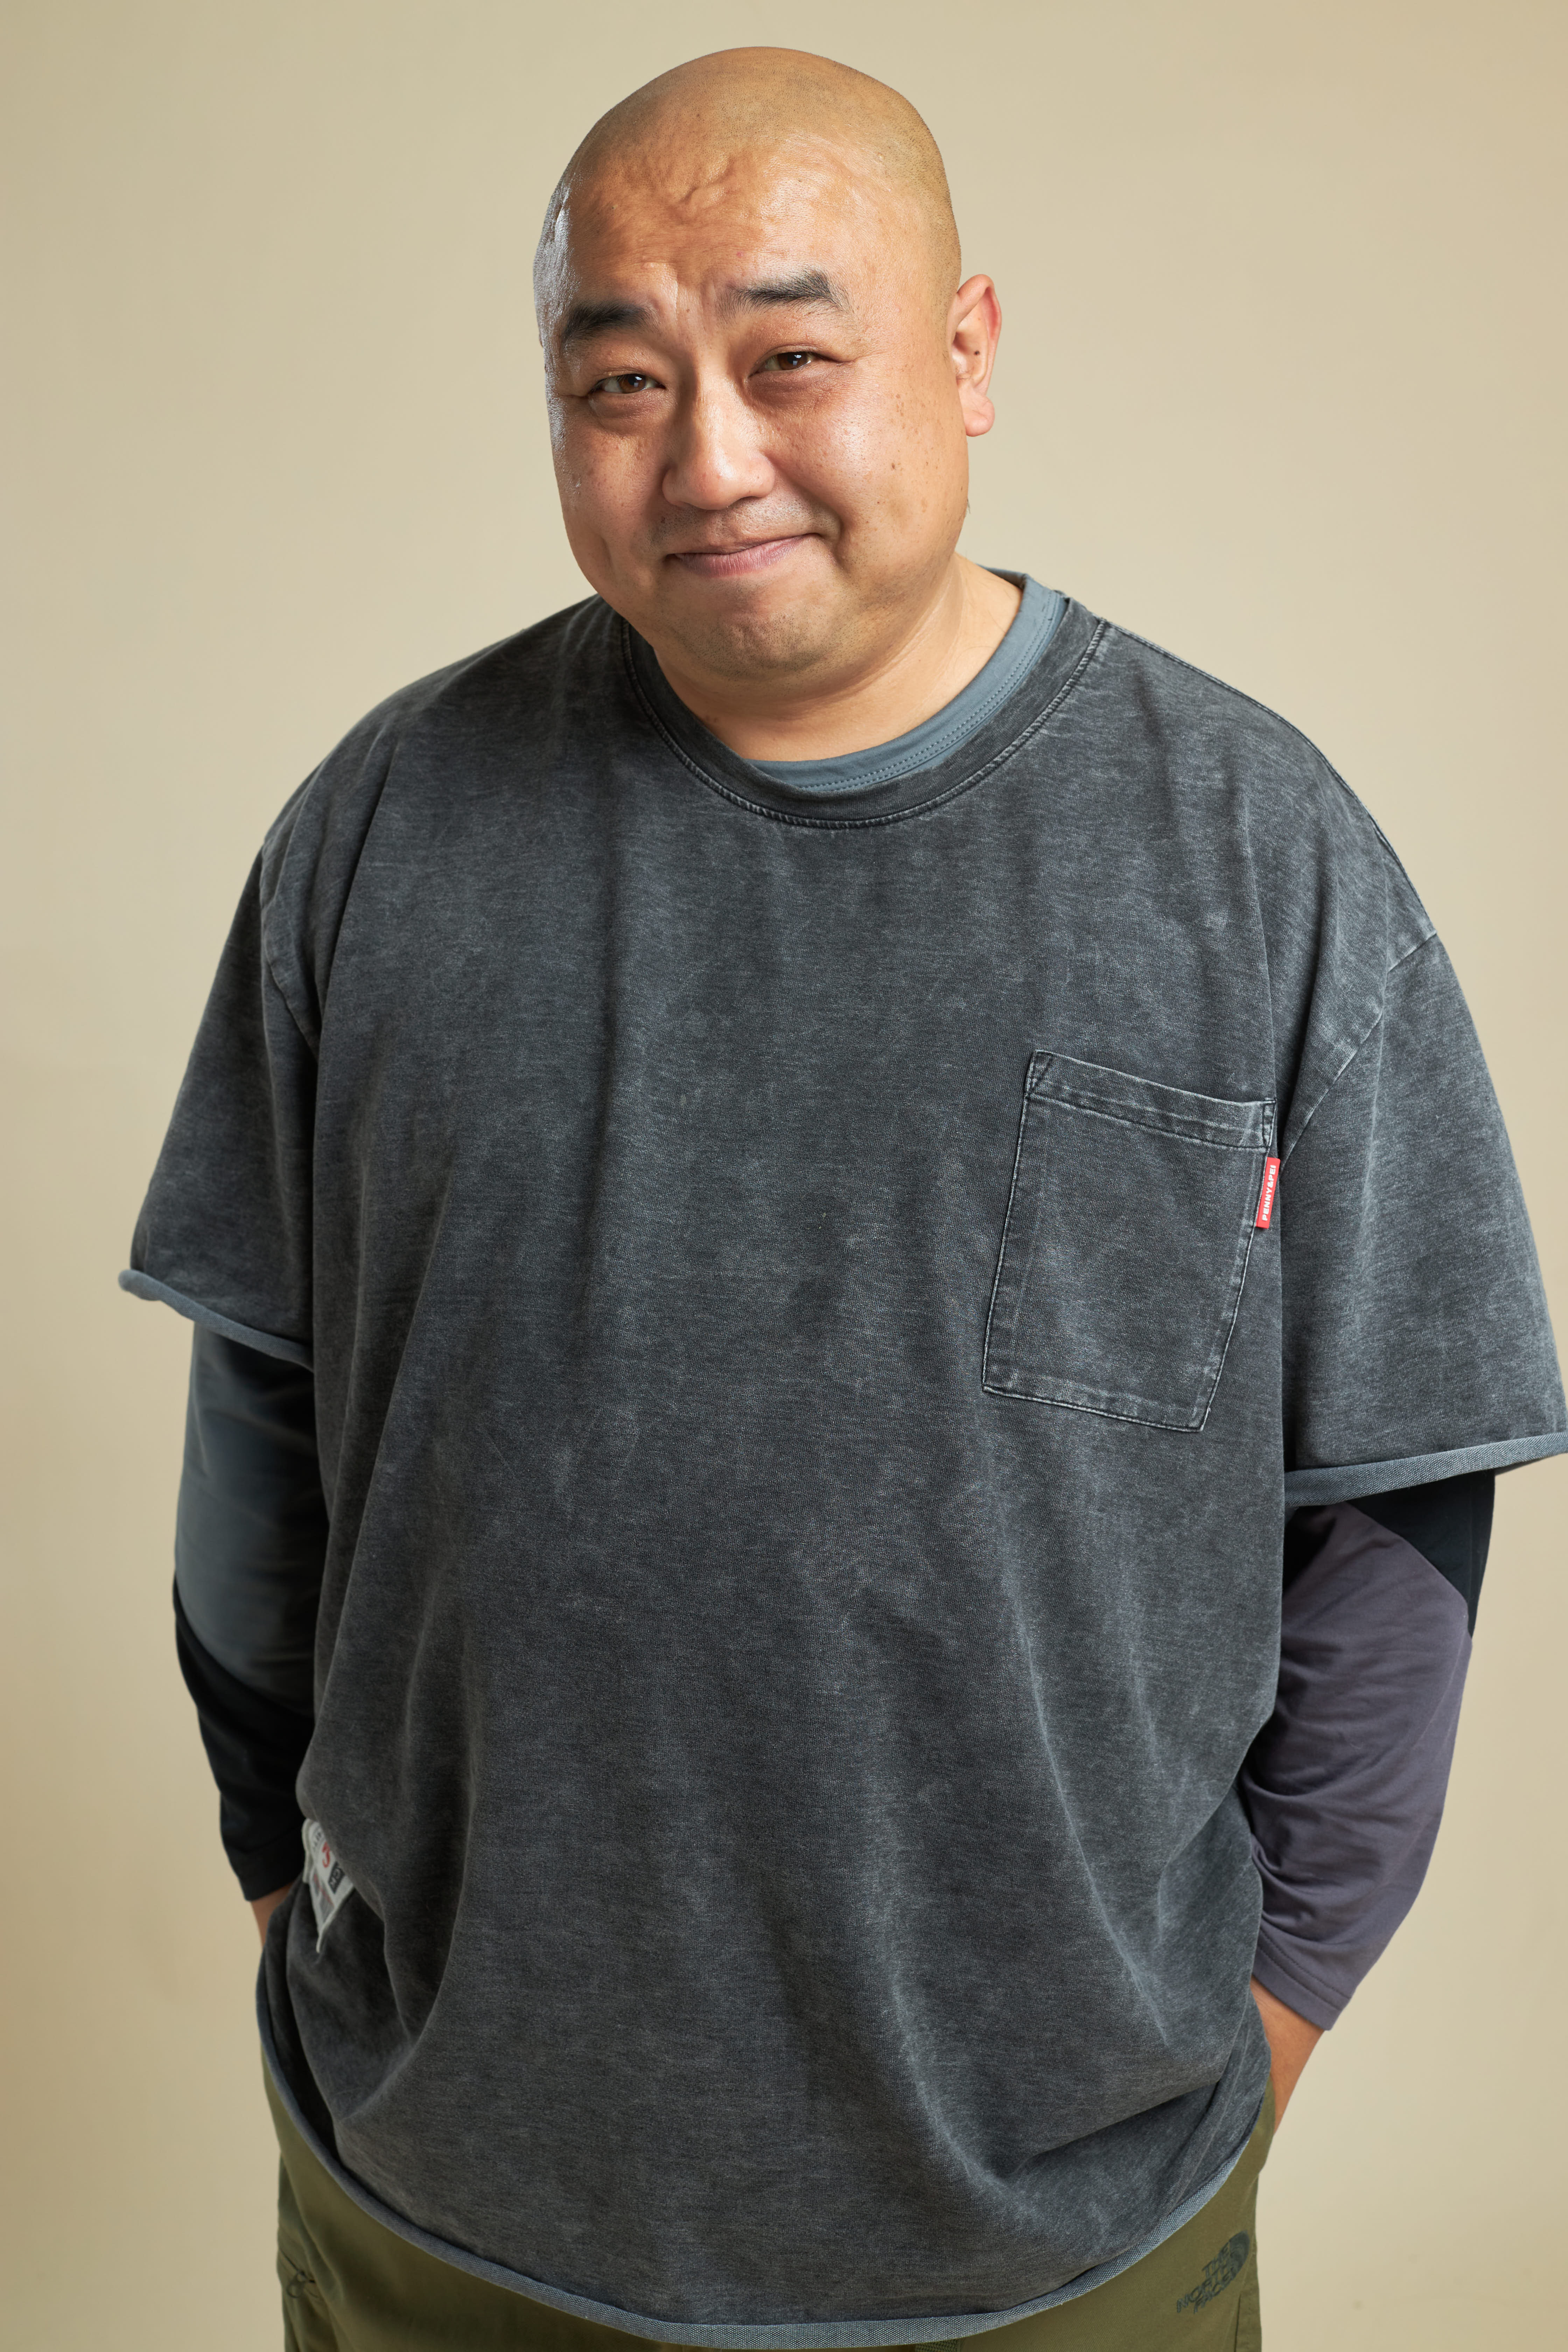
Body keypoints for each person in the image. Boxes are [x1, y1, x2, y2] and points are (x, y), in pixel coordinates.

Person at [122, 46, 1565, 2352]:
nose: (708, 458)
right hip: (440, 2209)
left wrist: (1267, 2022)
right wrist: (300, 1924)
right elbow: (261, 1438)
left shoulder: (1257, 859)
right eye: (621, 380)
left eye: (791, 359)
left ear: (967, 350)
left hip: (1063, 2248)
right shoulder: (379, 833)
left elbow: (1393, 1517)